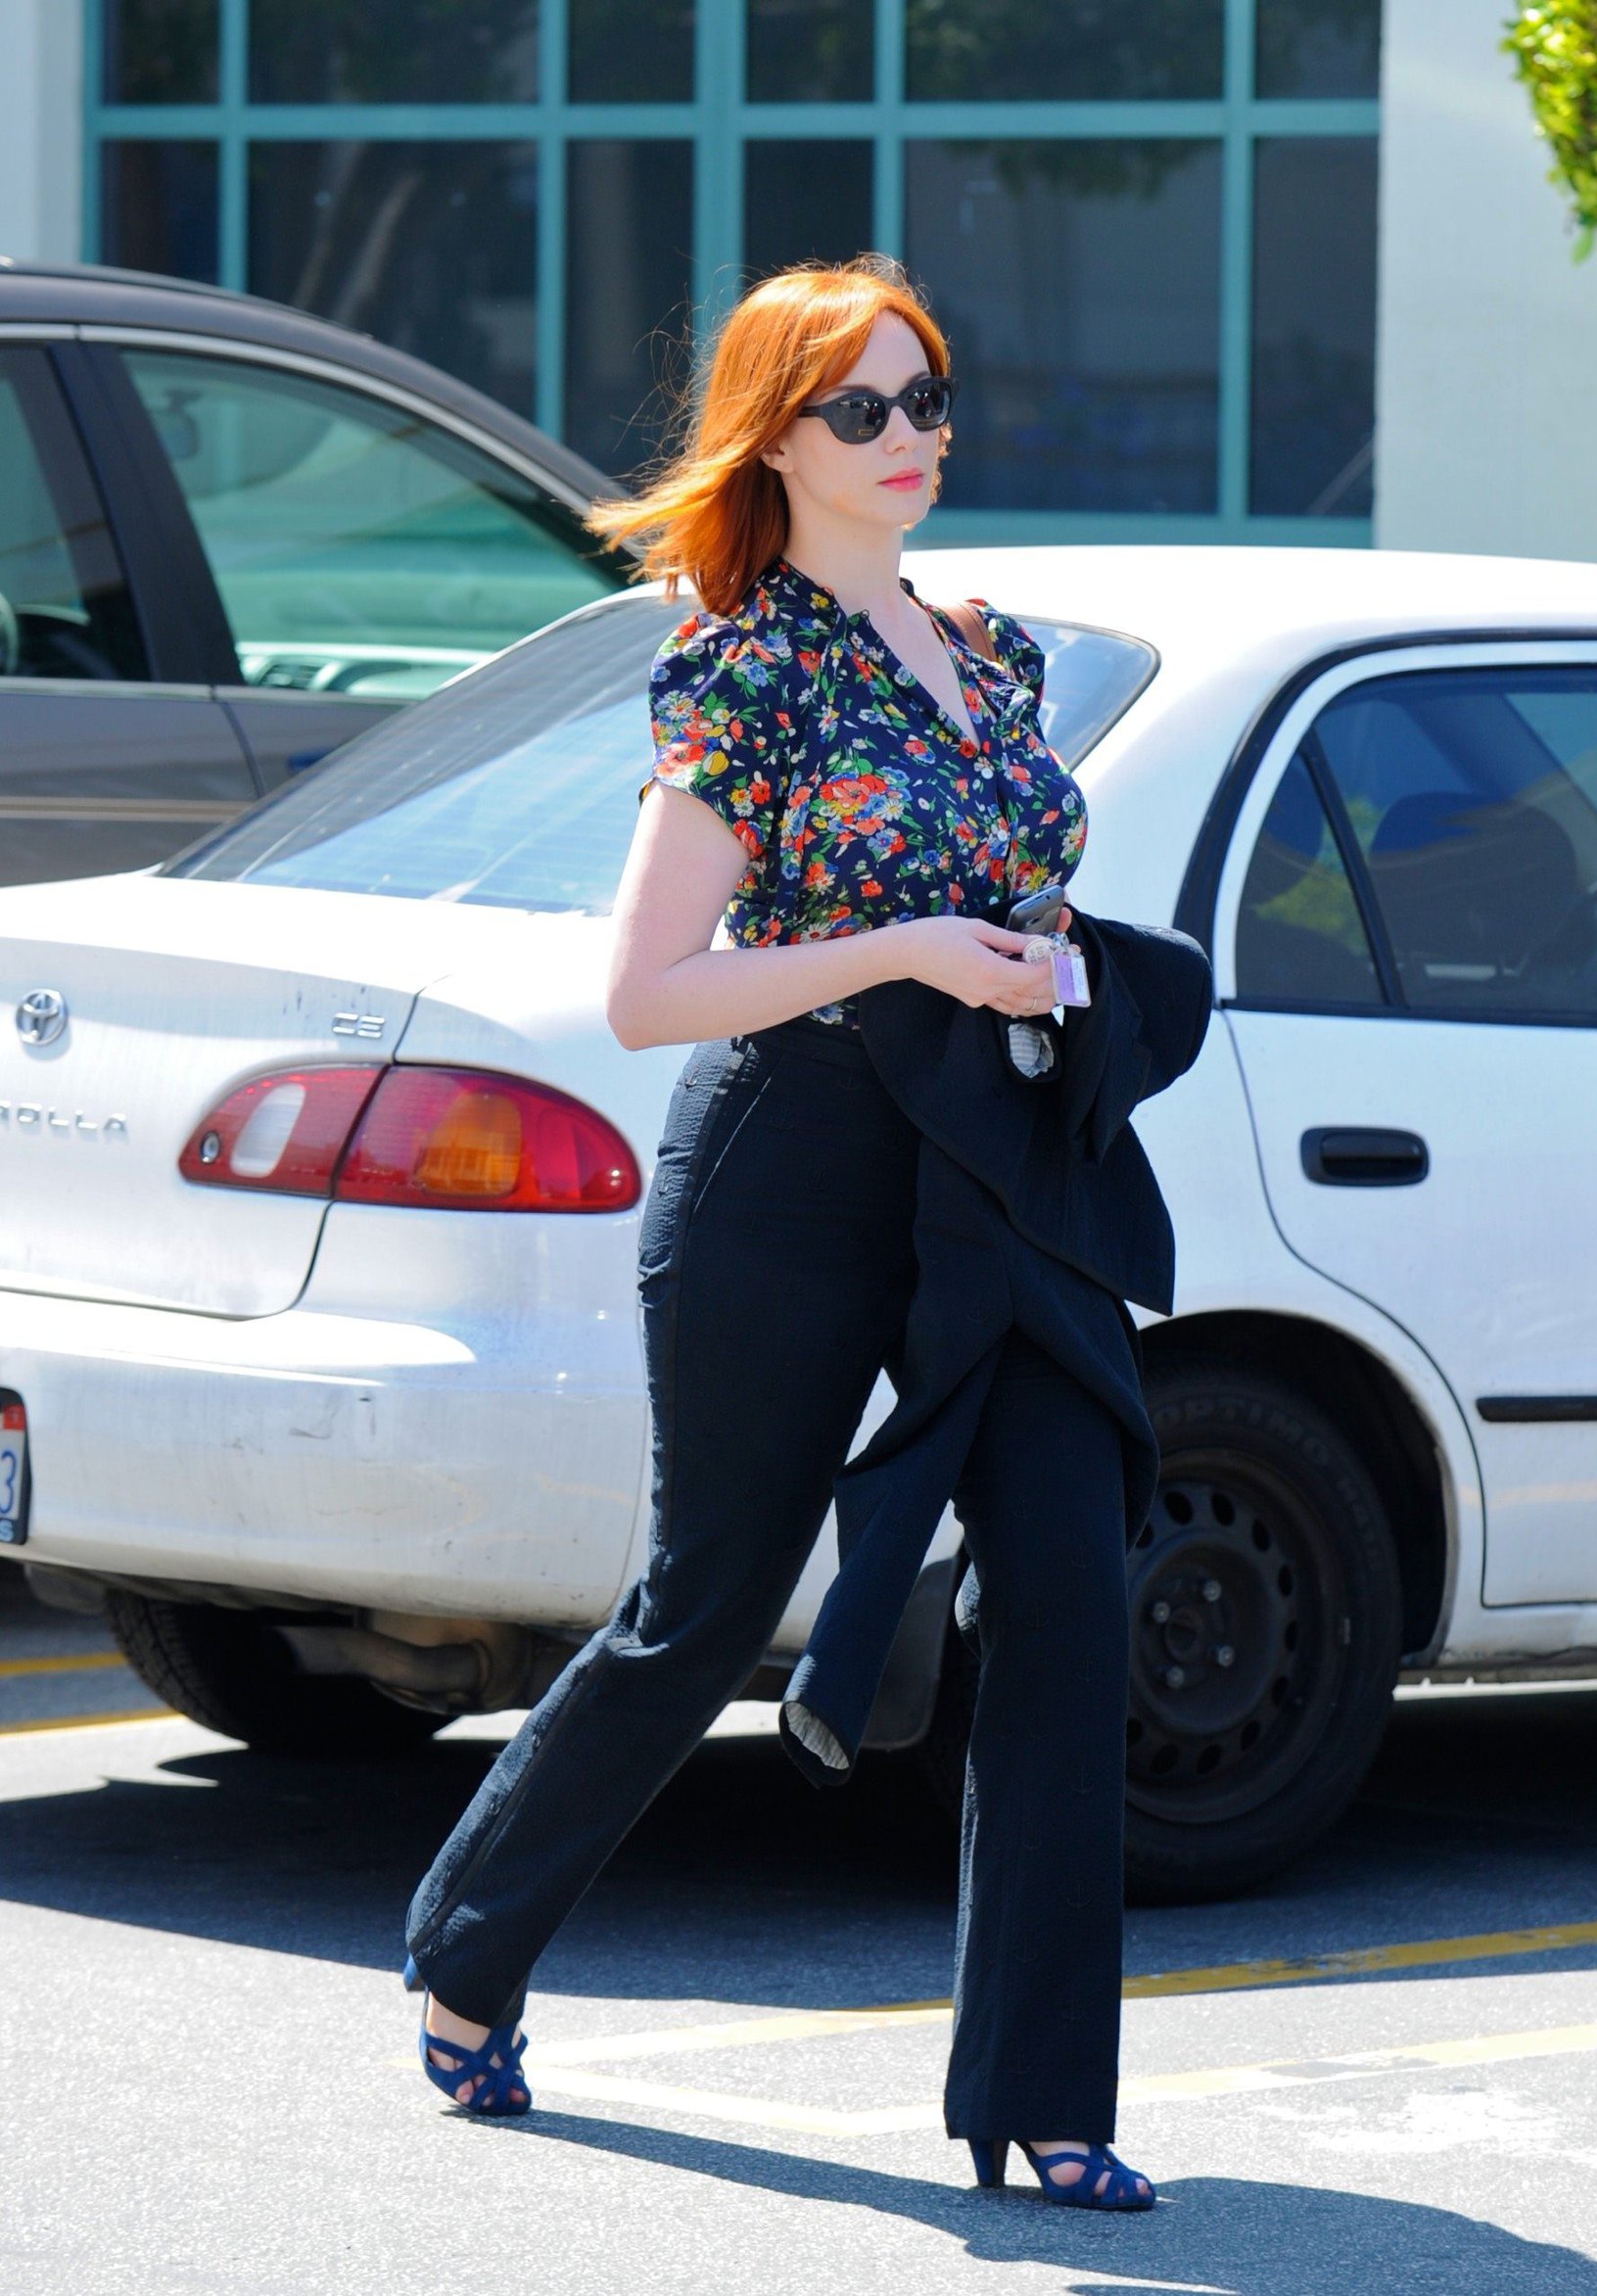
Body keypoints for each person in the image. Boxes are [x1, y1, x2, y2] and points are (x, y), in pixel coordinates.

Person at [400, 252, 1159, 2211]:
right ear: (777, 436)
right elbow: (648, 991)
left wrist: (1049, 972)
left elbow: (1018, 883)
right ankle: (470, 1946)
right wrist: (908, 948)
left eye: (929, 401)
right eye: (863, 410)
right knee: (709, 1607)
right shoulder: (747, 660)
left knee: (1072, 1588)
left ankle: (1047, 2105)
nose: (910, 439)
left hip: (994, 1173)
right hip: (791, 1174)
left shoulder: (992, 649)